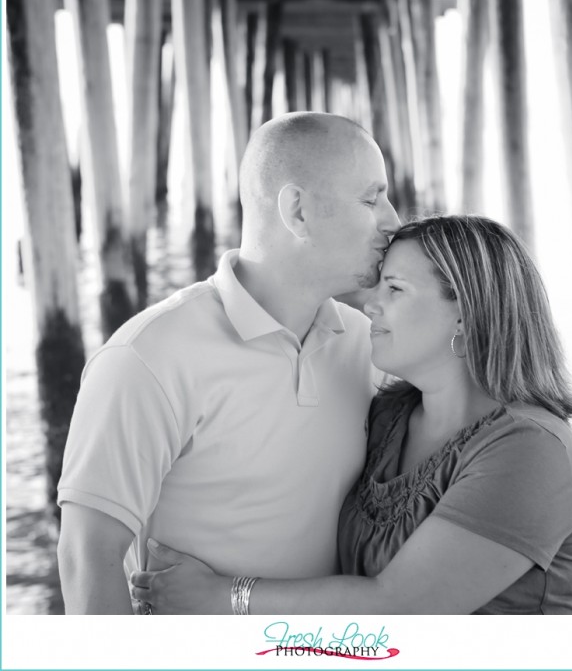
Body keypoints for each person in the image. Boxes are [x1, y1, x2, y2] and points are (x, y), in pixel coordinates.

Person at [131, 215, 572, 615]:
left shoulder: (531, 448)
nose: (369, 303)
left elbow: (400, 606)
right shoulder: (388, 415)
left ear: (465, 316)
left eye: (394, 288)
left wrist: (223, 597)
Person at [57, 112, 399, 614]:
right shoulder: (147, 356)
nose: (392, 220)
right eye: (372, 199)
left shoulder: (371, 346)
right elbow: (87, 560)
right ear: (297, 211)